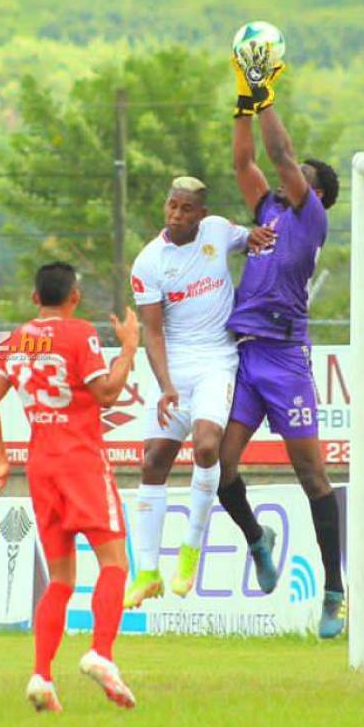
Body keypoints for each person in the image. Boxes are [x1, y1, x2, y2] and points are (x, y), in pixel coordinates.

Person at [0, 262, 140, 712]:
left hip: (41, 467)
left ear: (34, 299)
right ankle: (101, 654)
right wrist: (127, 349)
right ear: (75, 297)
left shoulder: (18, 339)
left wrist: (0, 459)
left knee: (62, 579)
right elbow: (106, 392)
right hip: (81, 462)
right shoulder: (78, 332)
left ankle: (41, 677)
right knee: (114, 564)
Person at [222, 57, 344, 638]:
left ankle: (333, 589)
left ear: (314, 192)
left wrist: (266, 94)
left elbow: (279, 157)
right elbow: (246, 161)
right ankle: (256, 538)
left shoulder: (310, 218)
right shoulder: (264, 211)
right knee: (216, 464)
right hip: (245, 354)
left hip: (286, 358)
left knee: (311, 475)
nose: (292, 179)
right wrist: (244, 100)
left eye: (302, 177)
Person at [124, 178, 275, 608]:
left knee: (207, 446)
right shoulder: (148, 262)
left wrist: (259, 235)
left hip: (216, 361)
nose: (175, 215)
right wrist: (166, 384)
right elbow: (152, 331)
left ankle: (190, 552)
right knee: (153, 461)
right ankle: (148, 572)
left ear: (200, 213)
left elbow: (251, 238)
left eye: (186, 209)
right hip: (175, 368)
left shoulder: (216, 232)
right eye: (171, 206)